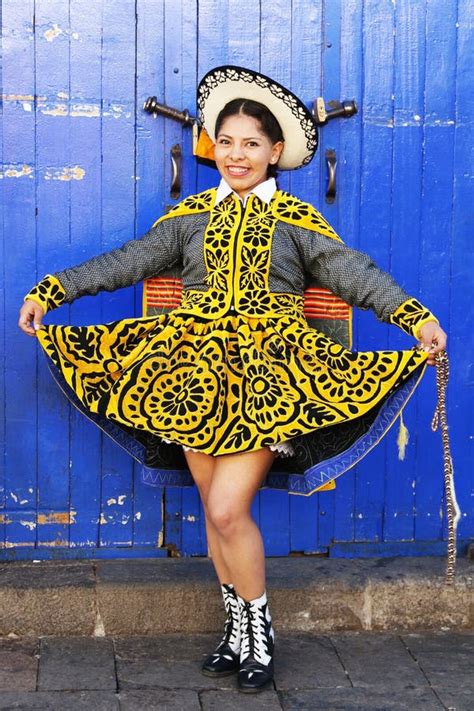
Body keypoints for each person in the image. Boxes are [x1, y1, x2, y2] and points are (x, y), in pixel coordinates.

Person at [19, 65, 446, 693]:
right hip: (186, 373)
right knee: (216, 515)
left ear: (276, 152)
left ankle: (261, 632)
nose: (237, 154)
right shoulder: (190, 216)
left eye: (251, 144)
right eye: (226, 142)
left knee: (227, 507)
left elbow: (355, 274)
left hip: (267, 378)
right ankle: (235, 632)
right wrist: (52, 291)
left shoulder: (299, 220)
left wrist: (414, 316)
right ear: (211, 148)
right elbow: (129, 260)